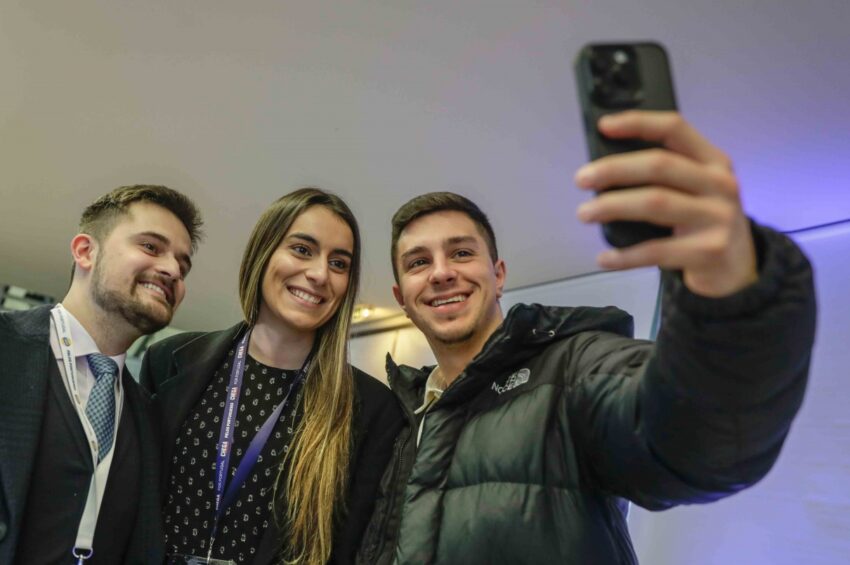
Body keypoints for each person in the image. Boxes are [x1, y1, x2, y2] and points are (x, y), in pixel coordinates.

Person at [357, 111, 817, 564]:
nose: (440, 273)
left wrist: (734, 299)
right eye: (419, 262)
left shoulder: (575, 368)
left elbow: (694, 439)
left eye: (460, 253)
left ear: (498, 276)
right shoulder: (402, 415)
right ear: (401, 298)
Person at [141, 188, 402, 565]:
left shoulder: (373, 409)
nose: (319, 274)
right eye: (302, 249)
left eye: (338, 263)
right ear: (263, 252)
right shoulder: (169, 360)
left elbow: (352, 549)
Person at [0, 185, 203, 565]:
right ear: (85, 251)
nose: (173, 270)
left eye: (183, 265)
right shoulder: (7, 348)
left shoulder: (150, 416)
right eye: (151, 247)